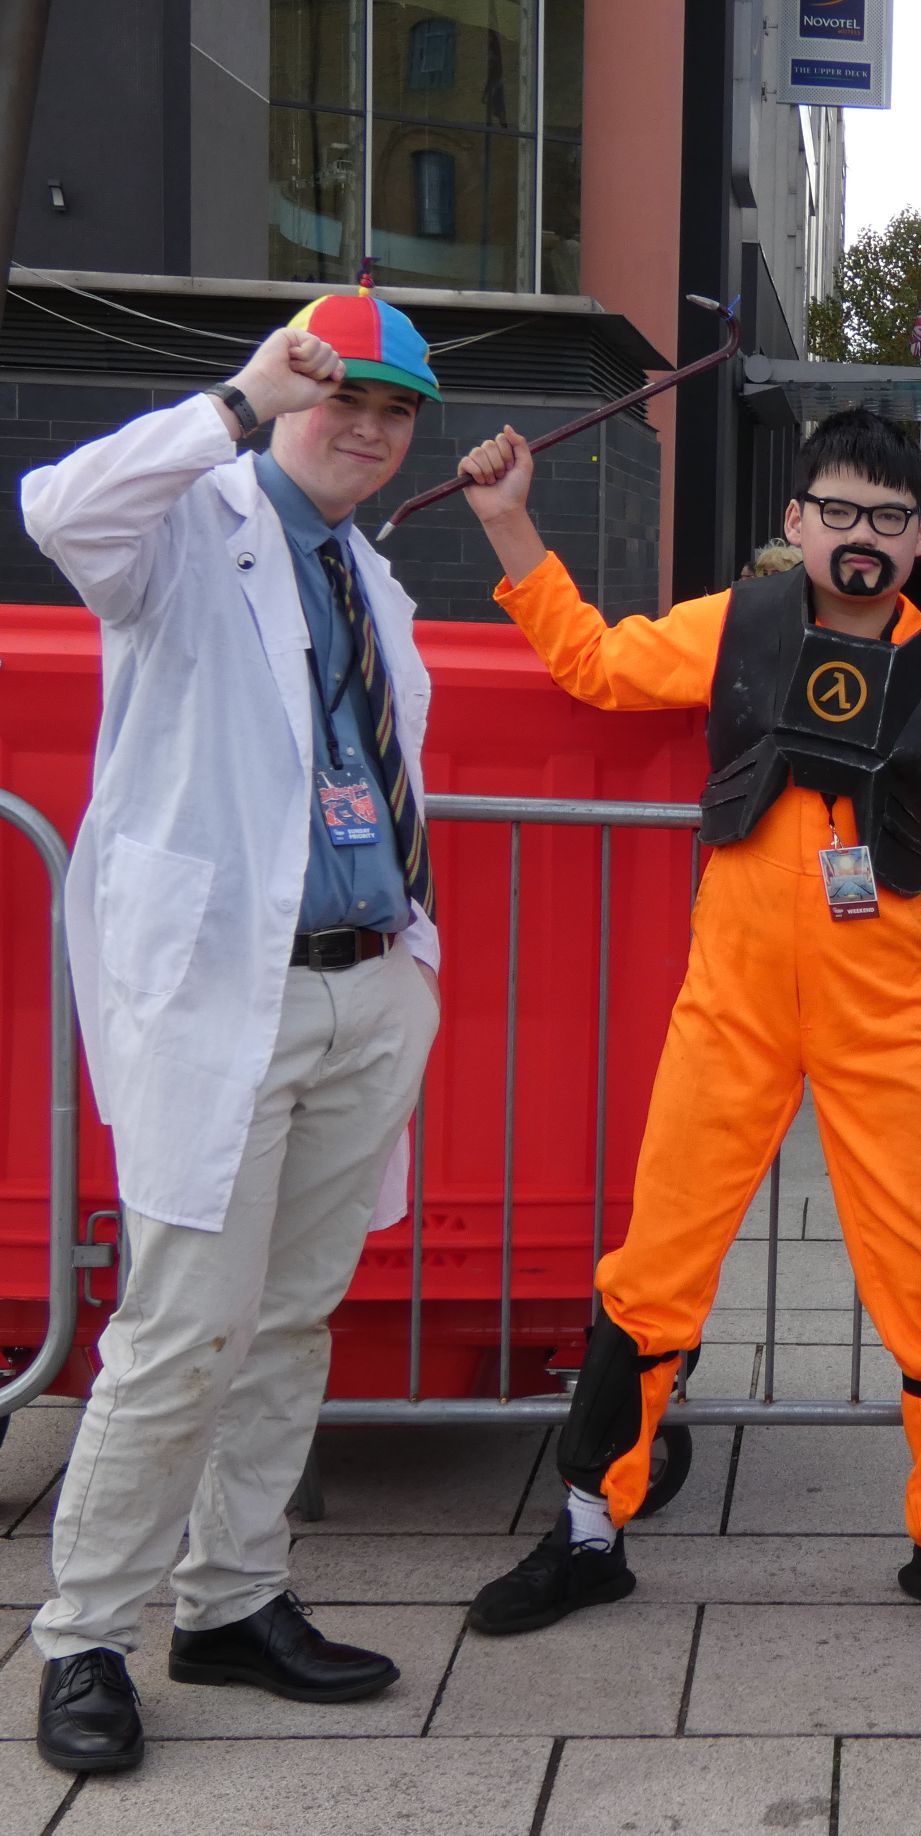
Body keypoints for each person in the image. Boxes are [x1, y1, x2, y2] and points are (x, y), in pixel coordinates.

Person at [450, 407, 921, 1637]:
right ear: (795, 519)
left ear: (920, 537)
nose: (863, 535)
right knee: (654, 1271)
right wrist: (510, 524)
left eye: (890, 518)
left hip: (882, 1021)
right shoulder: (734, 625)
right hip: (730, 1010)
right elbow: (598, 664)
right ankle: (586, 1531)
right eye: (839, 510)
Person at [17, 295, 449, 1773]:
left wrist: (412, 966)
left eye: (394, 410)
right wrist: (234, 400)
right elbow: (60, 508)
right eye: (342, 397)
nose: (368, 430)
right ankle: (85, 1634)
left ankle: (232, 1597)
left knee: (290, 1320)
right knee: (181, 1325)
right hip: (225, 993)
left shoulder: (367, 576)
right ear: (284, 394)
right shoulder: (189, 525)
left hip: (364, 980)